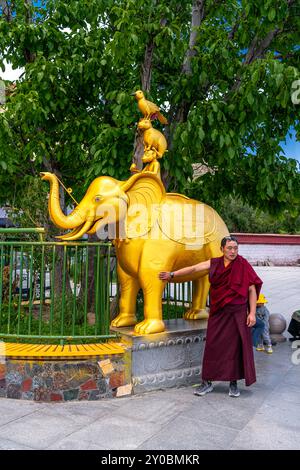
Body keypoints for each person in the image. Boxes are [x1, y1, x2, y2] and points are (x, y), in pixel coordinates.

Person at [159, 235, 262, 398]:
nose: (233, 251)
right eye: (229, 248)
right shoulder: (214, 263)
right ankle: (207, 382)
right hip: (218, 312)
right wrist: (172, 274)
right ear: (222, 249)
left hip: (237, 313)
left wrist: (252, 313)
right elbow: (193, 269)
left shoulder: (243, 265)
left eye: (235, 248)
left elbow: (251, 290)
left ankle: (233, 383)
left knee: (234, 348)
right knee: (213, 346)